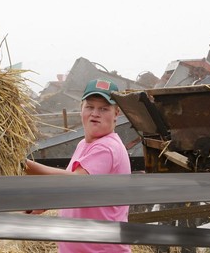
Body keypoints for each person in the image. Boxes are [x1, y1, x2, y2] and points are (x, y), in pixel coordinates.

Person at [25, 78, 131, 253]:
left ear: (116, 114)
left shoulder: (107, 147)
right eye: (90, 106)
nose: (95, 113)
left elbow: (76, 182)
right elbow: (70, 190)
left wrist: (24, 165)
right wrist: (46, 202)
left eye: (104, 109)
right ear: (81, 108)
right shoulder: (85, 145)